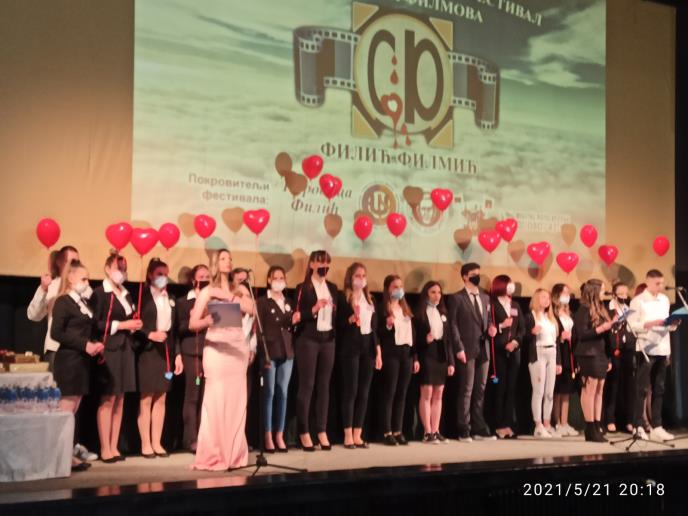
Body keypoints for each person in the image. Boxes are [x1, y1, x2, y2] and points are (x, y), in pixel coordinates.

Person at [28, 246, 97, 463]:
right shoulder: (56, 289)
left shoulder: (82, 295)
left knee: (74, 404)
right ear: (60, 263)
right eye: (71, 261)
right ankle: (56, 452)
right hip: (59, 351)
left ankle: (71, 448)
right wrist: (43, 289)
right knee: (61, 403)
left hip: (79, 354)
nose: (74, 264)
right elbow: (34, 315)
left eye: (77, 260)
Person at [190, 249, 255, 470]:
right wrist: (207, 321)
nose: (228, 262)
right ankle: (215, 453)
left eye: (230, 259)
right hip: (217, 351)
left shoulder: (240, 289)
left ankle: (234, 454)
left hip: (237, 350)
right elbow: (192, 323)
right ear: (215, 263)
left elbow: (252, 309)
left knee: (236, 404)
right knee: (216, 402)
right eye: (223, 259)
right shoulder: (208, 291)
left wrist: (231, 297)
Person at [50, 259, 104, 471]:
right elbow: (56, 333)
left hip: (81, 361)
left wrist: (94, 344)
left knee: (73, 410)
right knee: (65, 411)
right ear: (71, 278)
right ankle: (60, 458)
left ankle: (68, 455)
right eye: (84, 279)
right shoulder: (63, 302)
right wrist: (84, 344)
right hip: (69, 361)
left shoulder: (81, 303)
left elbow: (87, 328)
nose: (87, 283)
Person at [91, 251, 142, 462]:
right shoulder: (100, 293)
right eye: (117, 268)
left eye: (123, 269)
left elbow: (131, 316)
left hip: (126, 349)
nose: (121, 272)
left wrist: (134, 325)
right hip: (109, 349)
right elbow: (95, 324)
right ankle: (104, 447)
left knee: (120, 398)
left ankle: (114, 446)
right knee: (108, 397)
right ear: (107, 269)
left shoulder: (126, 294)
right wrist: (122, 325)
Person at [135, 258, 183, 458]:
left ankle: (157, 442)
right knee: (146, 398)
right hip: (148, 351)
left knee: (161, 397)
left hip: (166, 352)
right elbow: (135, 324)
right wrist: (150, 334)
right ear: (150, 275)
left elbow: (175, 330)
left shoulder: (170, 298)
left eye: (165, 274)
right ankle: (145, 443)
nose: (163, 278)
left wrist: (177, 354)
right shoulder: (142, 296)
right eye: (159, 274)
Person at [293, 250, 338, 451]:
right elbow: (296, 316)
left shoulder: (332, 288)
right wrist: (314, 309)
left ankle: (321, 430)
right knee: (307, 385)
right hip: (308, 340)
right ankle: (303, 431)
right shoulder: (303, 288)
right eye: (320, 263)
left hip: (328, 340)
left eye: (327, 263)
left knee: (324, 386)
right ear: (312, 264)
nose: (324, 267)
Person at [628, 270, 680, 442]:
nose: (660, 286)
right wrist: (649, 324)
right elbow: (630, 326)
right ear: (648, 282)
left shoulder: (664, 300)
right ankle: (638, 426)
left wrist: (673, 324)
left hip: (662, 348)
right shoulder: (638, 301)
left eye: (662, 283)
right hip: (646, 348)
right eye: (657, 283)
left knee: (659, 388)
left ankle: (657, 426)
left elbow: (667, 326)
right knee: (642, 389)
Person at [447, 263, 496, 442]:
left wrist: (491, 328)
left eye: (478, 273)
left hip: (483, 349)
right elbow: (452, 325)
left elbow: (487, 320)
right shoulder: (456, 298)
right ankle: (464, 428)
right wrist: (458, 347)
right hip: (466, 349)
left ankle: (478, 427)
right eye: (473, 274)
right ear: (465, 277)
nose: (477, 276)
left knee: (480, 389)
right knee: (466, 389)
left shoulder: (485, 297)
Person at [336, 262, 380, 449]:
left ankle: (357, 434)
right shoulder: (343, 298)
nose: (361, 279)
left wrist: (378, 352)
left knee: (364, 392)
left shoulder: (370, 300)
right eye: (357, 275)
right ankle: (347, 434)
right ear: (350, 278)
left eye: (363, 276)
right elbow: (338, 325)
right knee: (351, 391)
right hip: (350, 348)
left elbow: (374, 329)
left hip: (367, 348)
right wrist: (350, 319)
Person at [256, 266, 295, 453]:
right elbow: (259, 330)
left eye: (282, 277)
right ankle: (268, 434)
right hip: (269, 352)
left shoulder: (289, 302)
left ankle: (280, 434)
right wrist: (262, 353)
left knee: (283, 392)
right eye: (276, 278)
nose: (279, 281)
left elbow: (291, 325)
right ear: (269, 280)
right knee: (269, 392)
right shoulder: (263, 302)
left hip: (287, 351)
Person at [378, 274, 418, 445]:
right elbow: (378, 332)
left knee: (402, 393)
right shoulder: (383, 308)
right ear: (388, 289)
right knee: (390, 393)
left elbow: (412, 335)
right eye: (395, 287)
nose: (399, 290)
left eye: (400, 287)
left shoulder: (405, 308)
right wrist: (388, 324)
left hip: (406, 354)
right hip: (391, 354)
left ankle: (398, 430)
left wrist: (415, 357)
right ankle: (387, 432)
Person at [574, 279, 614, 442]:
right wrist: (602, 328)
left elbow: (606, 336)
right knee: (589, 389)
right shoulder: (583, 309)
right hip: (588, 354)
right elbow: (582, 334)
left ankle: (597, 425)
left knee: (599, 389)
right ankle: (589, 428)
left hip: (601, 353)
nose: (604, 293)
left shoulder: (602, 308)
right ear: (594, 291)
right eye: (602, 290)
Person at [414, 281, 454, 444]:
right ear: (426, 294)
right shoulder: (420, 313)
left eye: (439, 292)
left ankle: (436, 430)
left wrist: (451, 362)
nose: (437, 295)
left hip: (441, 355)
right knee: (427, 393)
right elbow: (414, 339)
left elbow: (448, 340)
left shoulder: (443, 312)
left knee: (439, 394)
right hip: (426, 354)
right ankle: (427, 431)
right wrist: (425, 340)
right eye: (433, 292)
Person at [176, 264, 210, 452]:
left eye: (207, 276)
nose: (204, 279)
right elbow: (179, 329)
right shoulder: (184, 302)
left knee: (206, 397)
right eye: (201, 276)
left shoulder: (213, 300)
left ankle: (205, 437)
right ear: (193, 280)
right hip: (192, 352)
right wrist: (193, 320)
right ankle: (191, 439)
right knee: (193, 396)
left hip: (211, 351)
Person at [488, 275, 524, 439]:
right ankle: (498, 425)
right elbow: (488, 327)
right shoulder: (492, 304)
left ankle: (508, 423)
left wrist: (515, 342)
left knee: (511, 389)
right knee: (499, 388)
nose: (511, 287)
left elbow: (521, 329)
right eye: (508, 284)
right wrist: (502, 326)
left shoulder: (515, 305)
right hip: (498, 352)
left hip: (514, 352)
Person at [525, 288, 561, 438]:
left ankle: (547, 423)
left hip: (552, 353)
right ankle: (538, 425)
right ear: (536, 299)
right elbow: (524, 337)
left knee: (549, 392)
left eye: (548, 298)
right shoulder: (531, 316)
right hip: (538, 353)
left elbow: (556, 341)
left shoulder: (551, 318)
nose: (547, 300)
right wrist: (531, 332)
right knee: (538, 391)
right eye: (543, 297)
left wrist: (558, 362)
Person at [604, 281, 637, 434]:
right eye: (621, 293)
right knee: (613, 386)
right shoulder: (608, 310)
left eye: (626, 293)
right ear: (614, 294)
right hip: (614, 350)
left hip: (628, 350)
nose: (624, 296)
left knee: (629, 386)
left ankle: (629, 421)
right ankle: (610, 419)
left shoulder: (628, 309)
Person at [551, 283, 578, 437]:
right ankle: (557, 422)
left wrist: (571, 337)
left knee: (567, 391)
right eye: (564, 293)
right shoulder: (553, 314)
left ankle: (565, 422)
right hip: (559, 353)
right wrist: (561, 337)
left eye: (568, 293)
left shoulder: (569, 314)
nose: (567, 296)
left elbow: (575, 333)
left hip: (570, 353)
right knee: (558, 391)